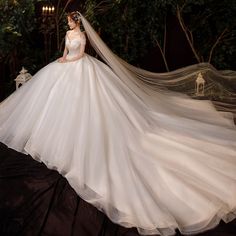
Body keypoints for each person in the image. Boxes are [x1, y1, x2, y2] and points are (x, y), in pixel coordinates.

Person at [0, 11, 236, 236]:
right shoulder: (68, 34)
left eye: (70, 22)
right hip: (66, 66)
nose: (68, 26)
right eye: (68, 24)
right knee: (53, 95)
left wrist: (72, 60)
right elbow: (65, 50)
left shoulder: (81, 36)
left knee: (89, 102)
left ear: (77, 23)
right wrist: (63, 59)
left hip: (80, 67)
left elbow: (81, 54)